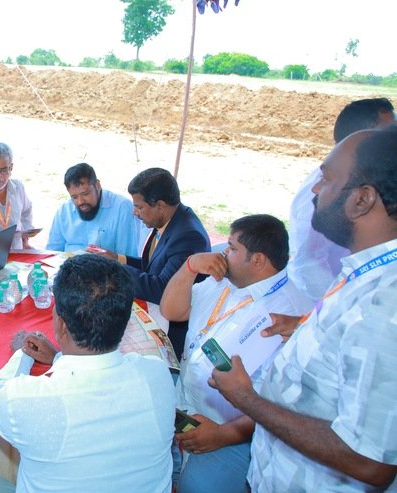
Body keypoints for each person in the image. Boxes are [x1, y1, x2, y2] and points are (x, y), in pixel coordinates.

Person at [209, 127, 397, 492]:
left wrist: (246, 398)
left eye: (326, 179)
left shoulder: (385, 306)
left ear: (362, 199)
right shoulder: (367, 272)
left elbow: (370, 461)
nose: (315, 189)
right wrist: (308, 329)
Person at [0, 254, 175, 492]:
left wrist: (22, 353)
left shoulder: (32, 400)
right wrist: (58, 357)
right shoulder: (157, 375)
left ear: (61, 325)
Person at [160, 214, 312, 493]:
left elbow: (283, 408)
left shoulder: (291, 315)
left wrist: (221, 435)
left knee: (195, 488)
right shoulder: (225, 281)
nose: (223, 254)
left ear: (258, 260)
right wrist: (189, 267)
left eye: (231, 248)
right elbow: (171, 310)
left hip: (233, 433)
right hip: (186, 403)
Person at [288, 97, 395, 303]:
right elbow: (309, 261)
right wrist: (326, 308)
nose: (394, 138)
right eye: (388, 133)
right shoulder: (325, 194)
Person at [95, 167, 210, 359]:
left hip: (172, 332)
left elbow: (161, 289)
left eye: (139, 207)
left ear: (160, 206)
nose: (135, 212)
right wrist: (118, 259)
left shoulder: (188, 237)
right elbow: (154, 265)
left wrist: (114, 269)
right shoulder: (169, 220)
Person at [46, 162, 137, 256]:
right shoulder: (63, 212)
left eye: (85, 194)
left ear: (98, 185)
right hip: (69, 264)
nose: (80, 202)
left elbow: (127, 259)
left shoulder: (122, 208)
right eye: (74, 197)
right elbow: (52, 254)